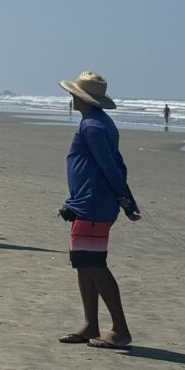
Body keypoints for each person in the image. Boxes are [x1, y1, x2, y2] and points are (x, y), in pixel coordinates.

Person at [58, 71, 141, 350]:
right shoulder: (96, 122)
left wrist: (127, 200)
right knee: (83, 264)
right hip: (85, 203)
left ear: (83, 98)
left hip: (94, 204)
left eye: (74, 95)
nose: (71, 98)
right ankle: (90, 324)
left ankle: (120, 330)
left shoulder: (93, 126)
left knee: (95, 265)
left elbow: (111, 167)